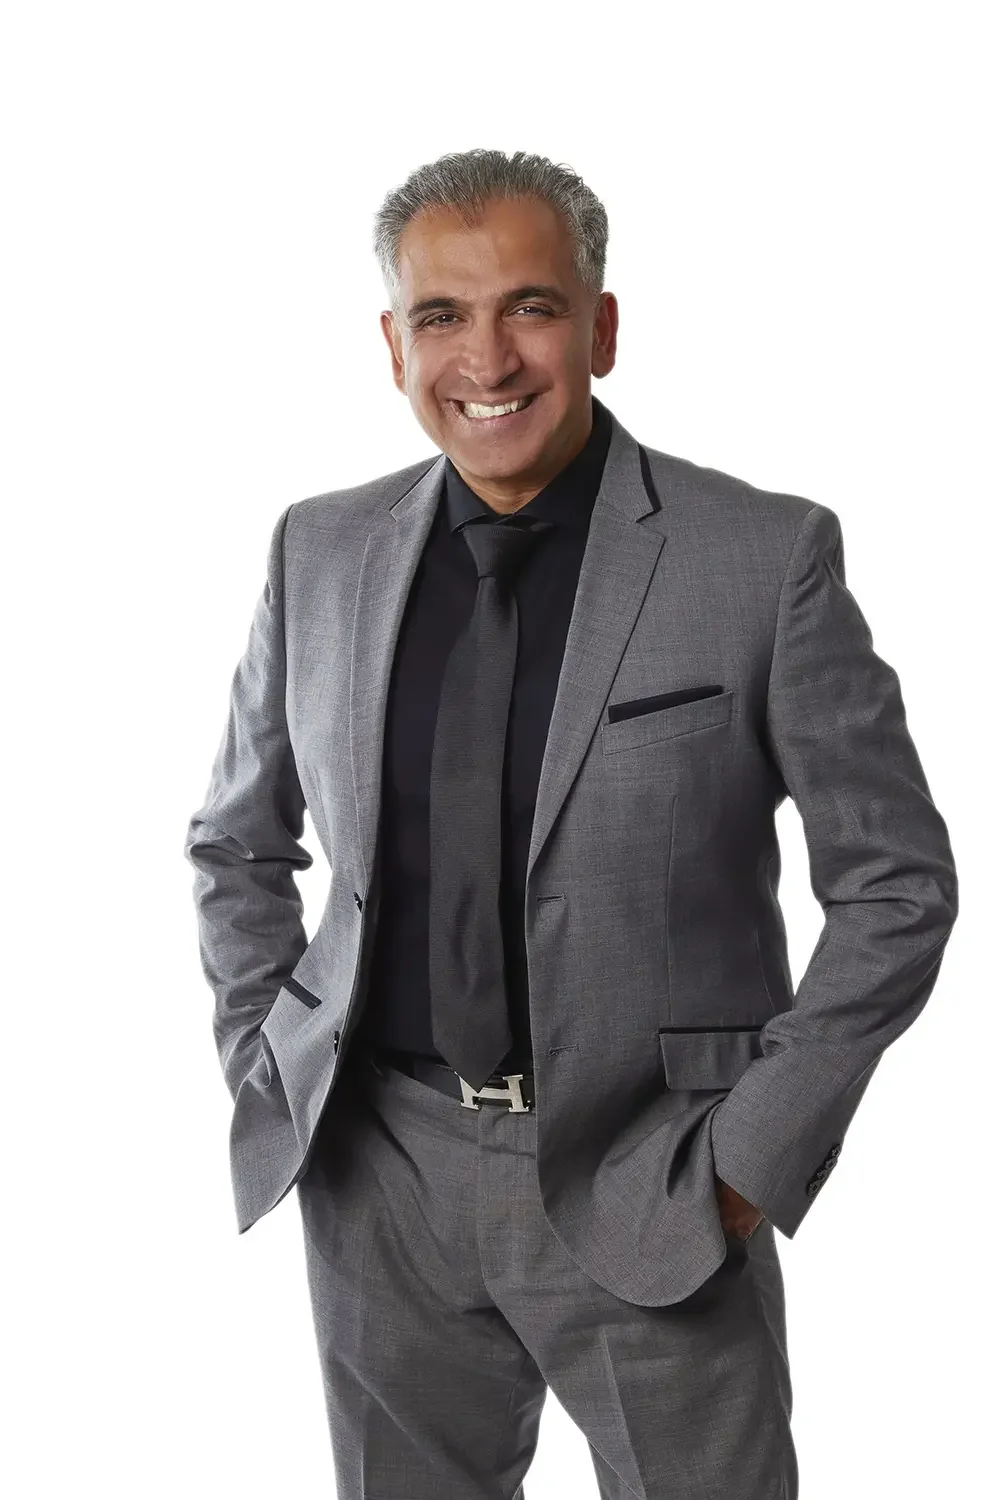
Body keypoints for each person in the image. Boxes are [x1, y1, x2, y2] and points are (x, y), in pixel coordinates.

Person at [183, 148, 959, 1499]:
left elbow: (895, 886)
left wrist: (751, 1155)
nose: (488, 356)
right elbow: (239, 840)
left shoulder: (761, 560)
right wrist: (273, 1052)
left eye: (532, 307)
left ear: (602, 326)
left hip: (654, 1175)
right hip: (383, 1175)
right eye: (441, 316)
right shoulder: (319, 551)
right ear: (392, 346)